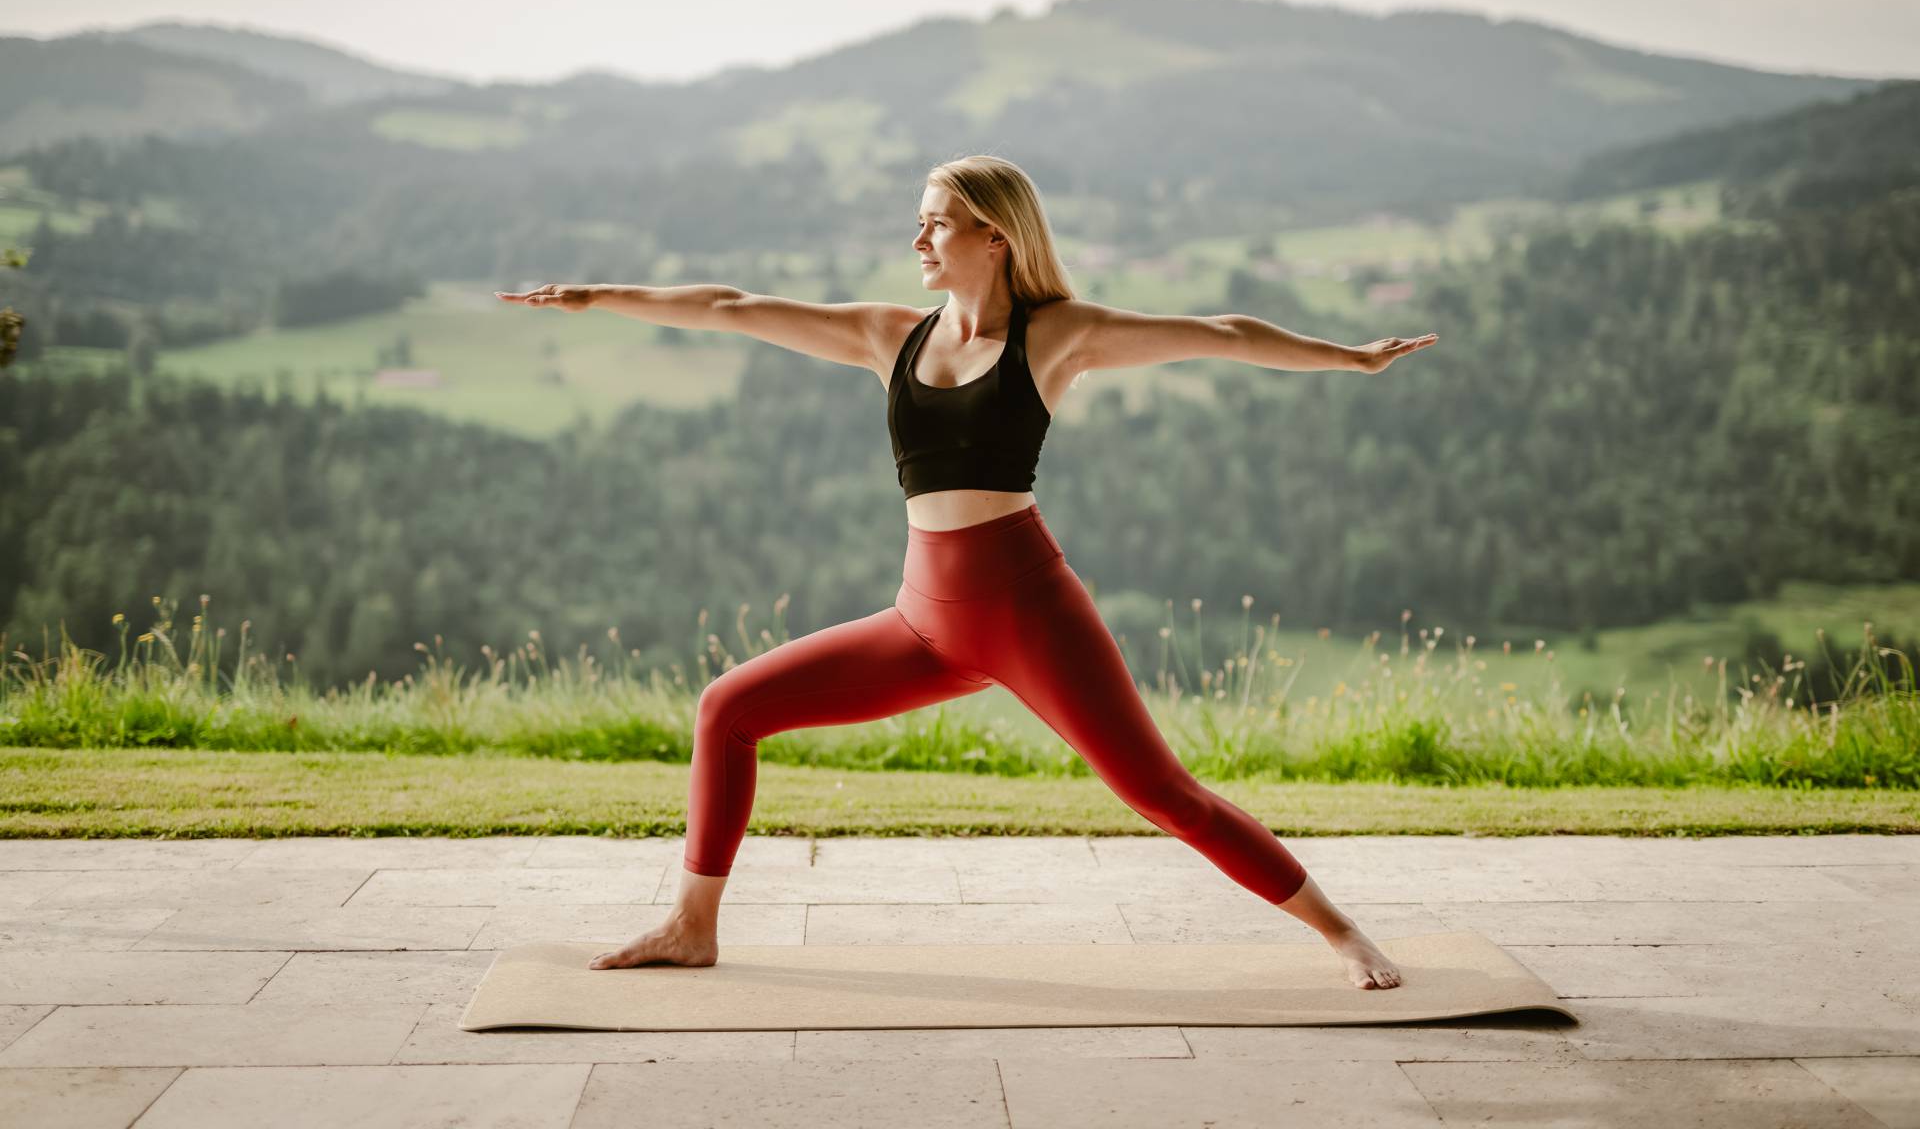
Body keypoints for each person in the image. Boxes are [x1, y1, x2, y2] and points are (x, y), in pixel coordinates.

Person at [496, 154, 1436, 989]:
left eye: (935, 221)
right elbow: (731, 310)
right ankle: (691, 928)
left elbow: (1223, 333)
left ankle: (1341, 932)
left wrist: (1350, 358)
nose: (917, 237)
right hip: (923, 621)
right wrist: (596, 296)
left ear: (994, 234)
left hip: (1028, 612)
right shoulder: (888, 335)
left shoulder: (1056, 335)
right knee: (726, 708)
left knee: (1159, 793)